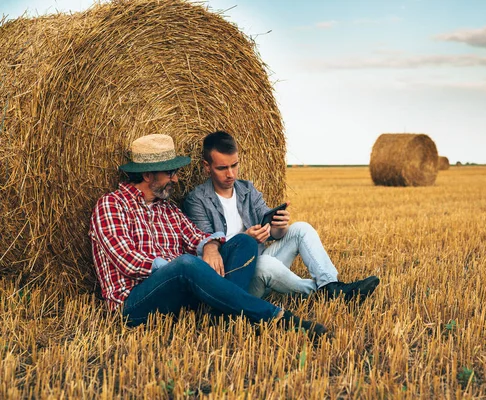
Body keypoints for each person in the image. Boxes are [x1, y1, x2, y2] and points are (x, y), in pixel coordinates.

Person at [89, 133, 327, 339]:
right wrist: (181, 268)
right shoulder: (111, 205)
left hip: (178, 296)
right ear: (148, 175)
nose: (176, 179)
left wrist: (211, 246)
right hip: (135, 303)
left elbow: (198, 236)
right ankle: (276, 317)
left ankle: (224, 316)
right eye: (170, 173)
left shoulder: (168, 209)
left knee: (243, 242)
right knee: (185, 263)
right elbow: (126, 260)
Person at [182, 131, 380, 300]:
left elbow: (274, 233)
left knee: (301, 228)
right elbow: (207, 246)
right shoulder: (197, 200)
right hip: (235, 276)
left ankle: (330, 284)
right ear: (206, 166)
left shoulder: (247, 190)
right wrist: (245, 240)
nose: (231, 174)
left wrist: (279, 226)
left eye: (234, 165)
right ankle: (323, 293)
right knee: (265, 263)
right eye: (222, 168)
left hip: (263, 261)